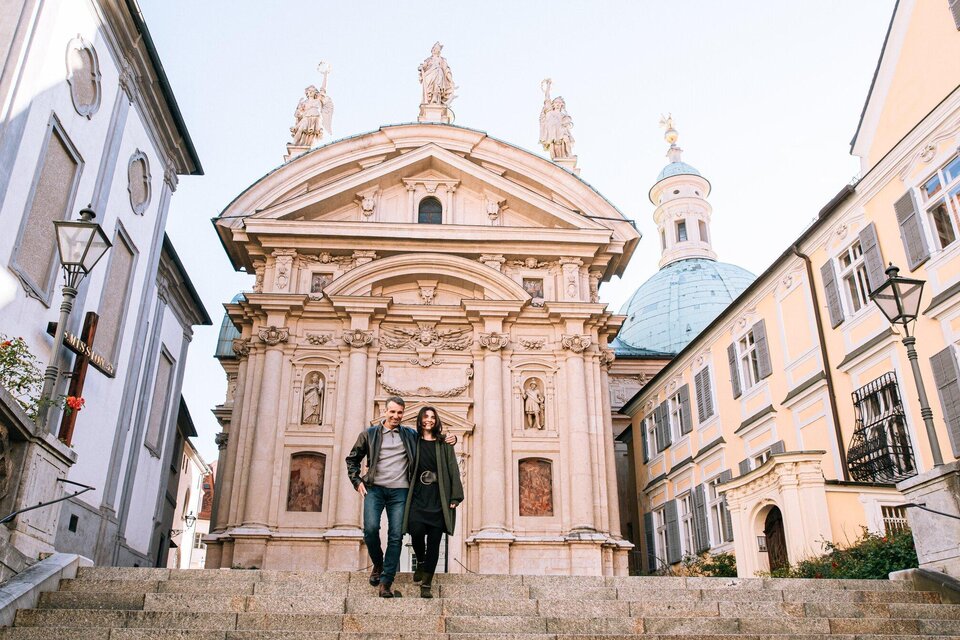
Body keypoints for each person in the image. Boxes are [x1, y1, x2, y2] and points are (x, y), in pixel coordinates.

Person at [345, 396, 456, 597]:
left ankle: (386, 581)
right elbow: (352, 459)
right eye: (392, 412)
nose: (396, 416)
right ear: (385, 412)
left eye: (399, 412)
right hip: (374, 489)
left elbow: (430, 436)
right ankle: (378, 564)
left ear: (403, 414)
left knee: (396, 536)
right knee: (370, 530)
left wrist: (450, 438)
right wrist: (357, 480)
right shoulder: (369, 434)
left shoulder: (409, 435)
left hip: (401, 491)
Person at [402, 406, 464, 598]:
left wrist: (455, 496)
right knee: (416, 532)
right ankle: (420, 562)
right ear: (420, 420)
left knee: (435, 542)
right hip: (418, 495)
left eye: (432, 417)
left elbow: (453, 468)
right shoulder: (413, 441)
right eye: (425, 416)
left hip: (438, 497)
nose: (429, 420)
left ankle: (426, 583)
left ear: (436, 421)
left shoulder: (444, 443)